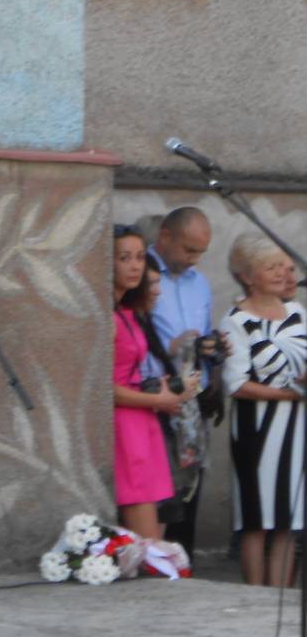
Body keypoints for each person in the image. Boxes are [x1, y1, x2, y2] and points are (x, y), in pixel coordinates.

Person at [219, 233, 306, 587]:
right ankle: (255, 597)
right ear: (247, 276)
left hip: (296, 429)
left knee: (287, 519)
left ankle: (279, 593)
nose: (281, 273)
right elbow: (236, 384)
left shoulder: (298, 313)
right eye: (270, 267)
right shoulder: (235, 321)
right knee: (255, 520)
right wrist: (289, 395)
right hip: (256, 429)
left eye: (281, 266)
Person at [149, 207, 226, 554]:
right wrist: (174, 345)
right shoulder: (144, 275)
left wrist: (214, 346)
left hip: (192, 402)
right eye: (188, 249)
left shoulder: (201, 284)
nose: (194, 259)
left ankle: (184, 564)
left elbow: (203, 334)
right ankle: (157, 566)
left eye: (200, 252)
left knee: (189, 491)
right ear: (165, 235)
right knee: (159, 497)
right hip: (155, 398)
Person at [112, 225, 185, 542]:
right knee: (147, 541)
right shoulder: (108, 316)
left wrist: (162, 390)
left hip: (143, 419)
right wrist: (158, 399)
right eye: (124, 258)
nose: (135, 266)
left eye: (140, 257)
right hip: (126, 424)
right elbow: (104, 388)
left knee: (153, 533)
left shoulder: (128, 312)